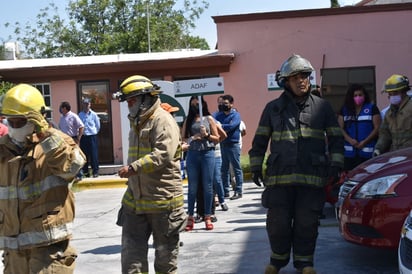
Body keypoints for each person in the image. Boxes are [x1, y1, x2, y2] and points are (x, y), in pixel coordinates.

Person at [249, 54, 344, 274]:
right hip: (279, 180)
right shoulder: (272, 108)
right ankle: (277, 261)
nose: (302, 81)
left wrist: (336, 165)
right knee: (278, 224)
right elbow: (260, 140)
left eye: (305, 76)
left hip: (311, 178)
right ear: (285, 82)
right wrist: (255, 166)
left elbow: (337, 139)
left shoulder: (322, 107)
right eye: (295, 77)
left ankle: (305, 264)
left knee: (307, 223)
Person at [0, 84, 86, 273]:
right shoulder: (3, 149)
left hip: (48, 252)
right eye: (10, 122)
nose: (14, 127)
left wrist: (46, 134)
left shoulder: (56, 143)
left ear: (36, 119)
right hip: (14, 254)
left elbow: (70, 169)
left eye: (20, 122)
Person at [114, 75, 187, 274]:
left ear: (146, 98)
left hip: (163, 203)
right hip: (135, 202)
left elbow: (162, 154)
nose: (129, 105)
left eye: (132, 100)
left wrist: (133, 168)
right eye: (127, 101)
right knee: (131, 261)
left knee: (165, 262)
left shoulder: (163, 121)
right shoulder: (136, 122)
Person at [182, 95, 220, 231]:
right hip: (192, 154)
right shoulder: (189, 120)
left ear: (203, 104)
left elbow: (217, 139)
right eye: (193, 104)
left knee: (208, 186)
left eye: (198, 103)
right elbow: (183, 139)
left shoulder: (209, 119)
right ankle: (190, 216)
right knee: (192, 187)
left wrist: (207, 135)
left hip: (207, 154)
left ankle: (208, 216)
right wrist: (194, 137)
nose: (195, 105)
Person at [337, 84, 381, 171]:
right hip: (349, 154)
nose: (358, 97)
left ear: (365, 95)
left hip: (368, 153)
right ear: (351, 97)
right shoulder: (344, 110)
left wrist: (364, 142)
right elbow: (340, 128)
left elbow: (377, 128)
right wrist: (350, 140)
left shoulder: (372, 108)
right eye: (355, 95)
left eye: (360, 95)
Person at [214, 94, 244, 200]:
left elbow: (232, 126)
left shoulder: (236, 115)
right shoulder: (218, 115)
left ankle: (238, 191)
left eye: (226, 104)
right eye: (221, 103)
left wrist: (220, 126)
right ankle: (225, 191)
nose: (223, 105)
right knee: (224, 169)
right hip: (222, 143)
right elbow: (213, 123)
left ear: (231, 104)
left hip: (233, 144)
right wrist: (220, 127)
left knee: (236, 168)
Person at [374, 74, 412, 155]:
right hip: (395, 155)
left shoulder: (410, 108)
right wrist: (378, 149)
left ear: (404, 91)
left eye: (395, 93)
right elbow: (385, 134)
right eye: (390, 94)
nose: (392, 96)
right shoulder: (389, 113)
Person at [79, 98, 101, 178]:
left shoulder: (94, 114)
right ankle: (86, 172)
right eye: (84, 104)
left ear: (90, 104)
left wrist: (94, 133)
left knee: (93, 155)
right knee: (84, 155)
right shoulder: (80, 115)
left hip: (92, 136)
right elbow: (79, 126)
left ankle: (95, 172)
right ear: (82, 105)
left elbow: (98, 126)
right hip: (84, 137)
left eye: (87, 104)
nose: (86, 106)